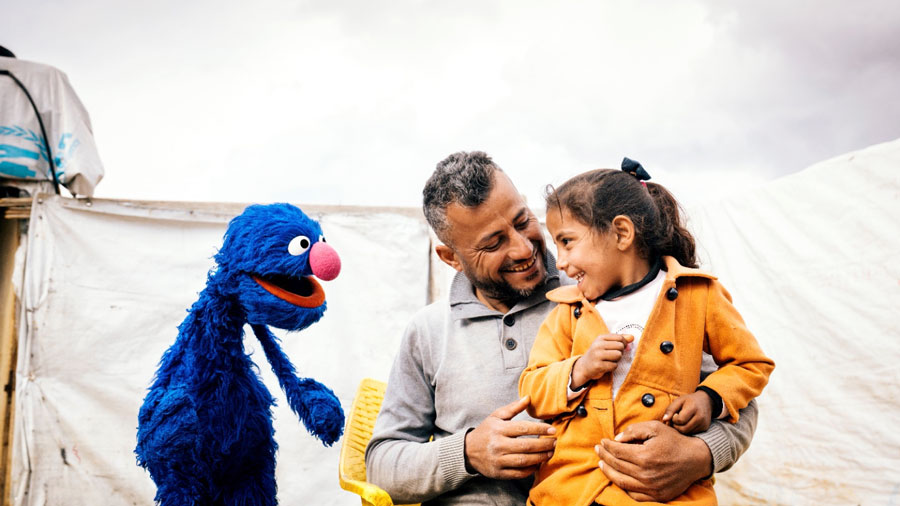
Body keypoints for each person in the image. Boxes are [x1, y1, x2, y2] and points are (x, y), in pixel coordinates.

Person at [365, 151, 760, 505]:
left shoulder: (606, 294)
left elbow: (736, 398)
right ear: (451, 257)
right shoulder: (428, 331)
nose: (522, 248)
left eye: (523, 221)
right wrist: (468, 453)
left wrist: (698, 456)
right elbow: (382, 466)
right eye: (493, 243)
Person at [519, 160, 774, 506]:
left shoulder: (698, 295)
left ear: (622, 233)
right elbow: (531, 390)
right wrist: (579, 369)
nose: (560, 262)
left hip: (659, 495)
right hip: (569, 489)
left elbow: (751, 363)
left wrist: (709, 398)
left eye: (567, 242)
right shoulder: (567, 310)